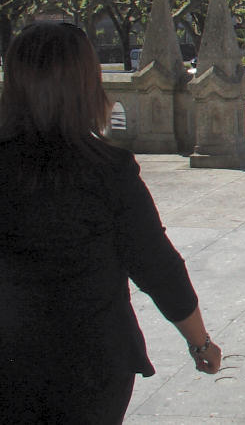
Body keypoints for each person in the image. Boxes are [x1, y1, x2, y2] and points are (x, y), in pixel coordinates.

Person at [0, 22, 221, 424]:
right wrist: (200, 343)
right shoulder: (107, 170)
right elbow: (157, 267)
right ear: (86, 83)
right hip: (90, 365)